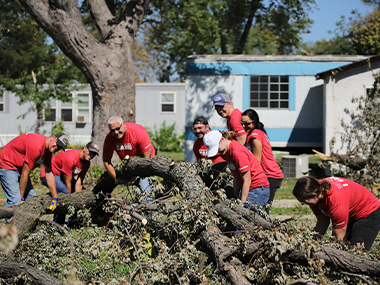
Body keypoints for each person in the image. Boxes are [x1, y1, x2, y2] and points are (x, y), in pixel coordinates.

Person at [293, 176, 380, 251]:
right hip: (348, 213)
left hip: (368, 214)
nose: (303, 204)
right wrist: (310, 242)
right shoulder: (315, 188)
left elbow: (338, 239)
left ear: (314, 195)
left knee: (356, 254)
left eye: (304, 202)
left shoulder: (336, 202)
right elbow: (323, 221)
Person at [0, 132, 69, 213]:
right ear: (53, 137)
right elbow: (25, 174)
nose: (56, 148)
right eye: (57, 144)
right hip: (7, 164)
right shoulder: (36, 146)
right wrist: (21, 198)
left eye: (60, 147)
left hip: (20, 169)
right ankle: (7, 225)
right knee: (16, 200)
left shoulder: (48, 152)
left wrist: (55, 197)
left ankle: (26, 224)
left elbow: (49, 173)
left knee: (32, 199)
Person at [203, 130, 269, 207]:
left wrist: (242, 203)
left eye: (218, 148)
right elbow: (237, 176)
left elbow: (247, 180)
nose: (218, 151)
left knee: (246, 215)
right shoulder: (226, 152)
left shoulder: (236, 152)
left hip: (257, 189)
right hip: (248, 188)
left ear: (222, 139)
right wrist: (235, 196)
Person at [40, 142, 100, 224]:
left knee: (83, 194)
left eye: (94, 154)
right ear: (85, 148)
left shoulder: (86, 163)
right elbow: (67, 182)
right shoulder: (71, 157)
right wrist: (70, 199)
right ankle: (58, 225)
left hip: (62, 176)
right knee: (64, 193)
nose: (92, 155)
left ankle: (72, 222)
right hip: (48, 173)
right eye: (91, 152)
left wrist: (78, 199)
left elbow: (79, 183)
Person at [241, 109, 284, 211]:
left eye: (247, 123)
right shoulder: (252, 134)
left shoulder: (255, 136)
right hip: (267, 174)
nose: (243, 126)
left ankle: (267, 227)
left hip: (270, 175)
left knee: (262, 211)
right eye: (242, 123)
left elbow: (256, 161)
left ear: (254, 122)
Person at [103, 116, 155, 195]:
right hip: (129, 165)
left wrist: (140, 173)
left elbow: (147, 156)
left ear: (123, 124)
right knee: (105, 182)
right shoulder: (109, 138)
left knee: (144, 186)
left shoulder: (138, 132)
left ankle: (149, 205)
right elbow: (106, 160)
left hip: (146, 162)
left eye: (117, 128)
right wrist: (116, 178)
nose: (116, 132)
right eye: (112, 130)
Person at [192, 116, 227, 189]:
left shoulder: (218, 137)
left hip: (224, 173)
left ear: (207, 127)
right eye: (195, 129)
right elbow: (200, 163)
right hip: (208, 175)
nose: (197, 131)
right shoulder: (197, 144)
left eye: (200, 128)